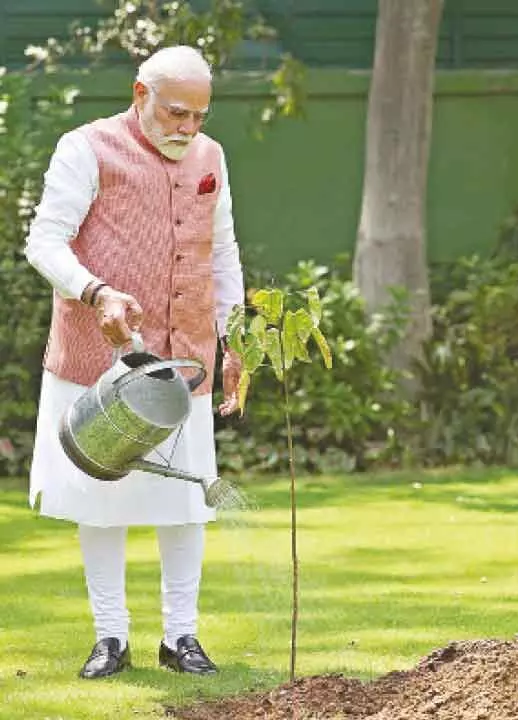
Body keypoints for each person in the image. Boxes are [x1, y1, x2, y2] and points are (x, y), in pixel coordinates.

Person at [23, 46, 244, 679]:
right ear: (140, 94)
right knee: (102, 499)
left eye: (200, 116)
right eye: (177, 113)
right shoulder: (85, 146)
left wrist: (235, 341)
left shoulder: (212, 158)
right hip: (100, 361)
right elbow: (44, 241)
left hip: (185, 358)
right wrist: (96, 291)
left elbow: (223, 252)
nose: (189, 128)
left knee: (189, 501)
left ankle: (182, 638)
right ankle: (110, 638)